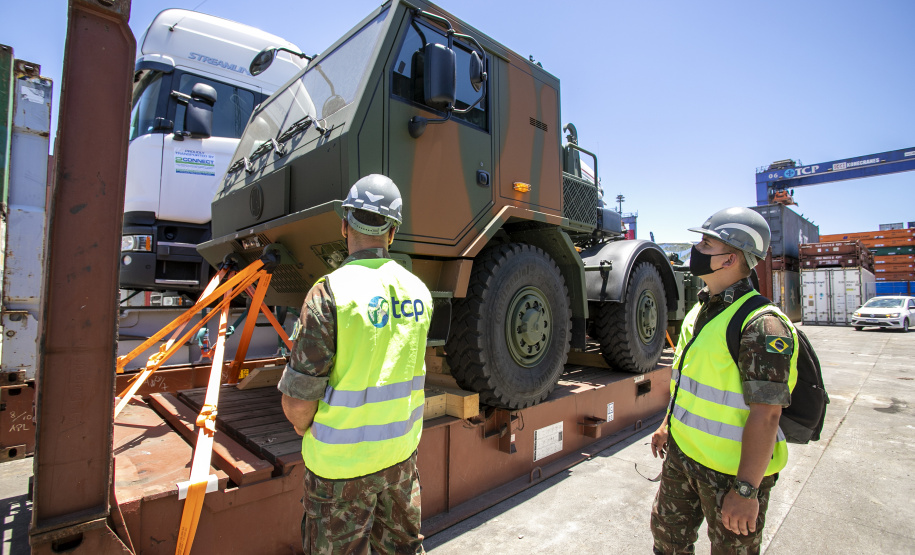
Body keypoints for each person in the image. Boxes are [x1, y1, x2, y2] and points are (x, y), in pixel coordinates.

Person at [278, 174, 432, 554]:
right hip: (400, 460)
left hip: (338, 473)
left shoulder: (329, 292)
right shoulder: (419, 293)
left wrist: (302, 426)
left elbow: (298, 406)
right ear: (392, 232)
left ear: (344, 225)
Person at [650, 207, 799, 554]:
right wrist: (667, 424)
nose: (696, 250)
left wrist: (746, 491)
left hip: (730, 476)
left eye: (705, 244)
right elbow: (689, 384)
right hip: (684, 456)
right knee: (668, 541)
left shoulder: (762, 326)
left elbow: (767, 415)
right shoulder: (702, 310)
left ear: (729, 259)